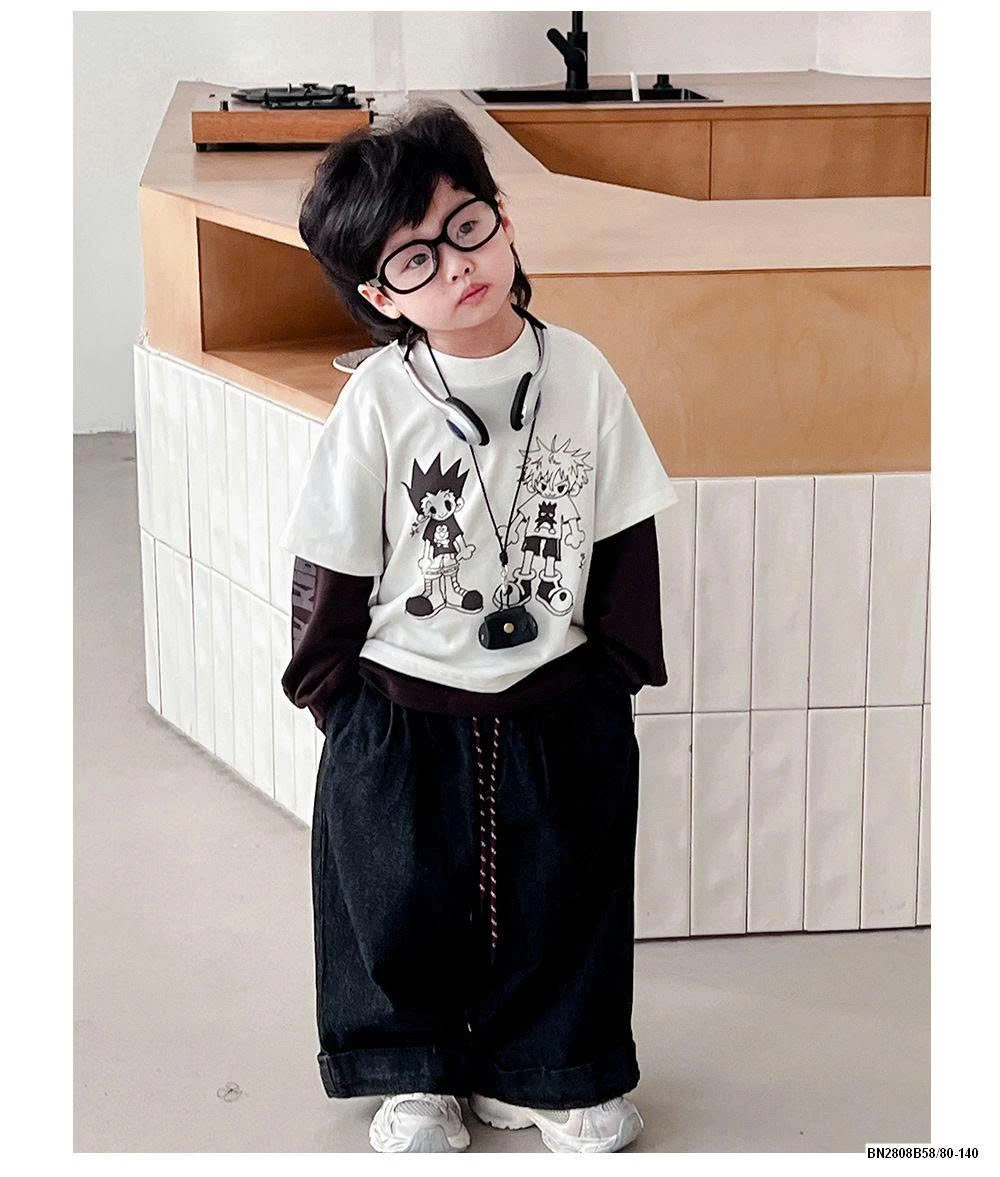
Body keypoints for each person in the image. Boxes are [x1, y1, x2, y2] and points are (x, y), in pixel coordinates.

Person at [279, 101, 680, 1153]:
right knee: (398, 887)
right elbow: (330, 555)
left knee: (565, 887)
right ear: (378, 295)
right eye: (413, 258)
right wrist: (335, 700)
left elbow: (625, 525)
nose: (456, 265)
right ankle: (414, 1072)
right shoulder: (378, 399)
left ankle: (552, 1070)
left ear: (502, 218)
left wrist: (615, 674)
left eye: (466, 226)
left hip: (558, 692)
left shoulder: (581, 371)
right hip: (402, 697)